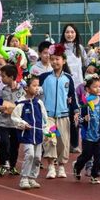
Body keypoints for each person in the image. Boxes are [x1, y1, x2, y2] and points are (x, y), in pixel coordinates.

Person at [39, 43, 77, 179]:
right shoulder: (44, 78)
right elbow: (34, 90)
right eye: (52, 59)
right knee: (50, 139)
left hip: (63, 116)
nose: (55, 61)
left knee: (62, 142)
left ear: (64, 61)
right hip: (49, 117)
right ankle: (50, 166)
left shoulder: (68, 78)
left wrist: (76, 111)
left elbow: (72, 97)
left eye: (58, 59)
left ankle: (61, 166)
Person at [72, 78, 100, 184]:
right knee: (87, 155)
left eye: (99, 86)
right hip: (88, 134)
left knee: (99, 157)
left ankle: (94, 175)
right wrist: (84, 119)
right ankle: (77, 166)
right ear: (88, 89)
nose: (98, 88)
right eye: (95, 87)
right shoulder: (85, 102)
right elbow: (78, 119)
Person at [12, 76, 49, 189]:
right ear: (26, 88)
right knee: (30, 155)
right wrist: (22, 124)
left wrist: (47, 131)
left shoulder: (39, 103)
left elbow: (45, 119)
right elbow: (14, 118)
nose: (37, 88)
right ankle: (24, 178)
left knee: (37, 157)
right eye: (34, 85)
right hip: (27, 135)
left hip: (38, 135)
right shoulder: (21, 104)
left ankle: (32, 178)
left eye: (38, 85)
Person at [59, 24, 89, 153]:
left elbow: (86, 65)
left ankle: (75, 144)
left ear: (76, 34)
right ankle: (59, 142)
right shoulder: (59, 48)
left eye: (72, 32)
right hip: (63, 86)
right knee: (61, 116)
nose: (69, 34)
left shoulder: (80, 48)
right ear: (63, 34)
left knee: (76, 115)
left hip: (78, 87)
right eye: (67, 32)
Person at [0, 65, 25, 176]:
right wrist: (1, 108)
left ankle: (13, 166)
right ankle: (3, 164)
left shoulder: (22, 90)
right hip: (4, 122)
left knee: (15, 145)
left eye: (4, 76)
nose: (2, 79)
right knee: (4, 142)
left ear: (11, 77)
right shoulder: (3, 90)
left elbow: (24, 105)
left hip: (16, 123)